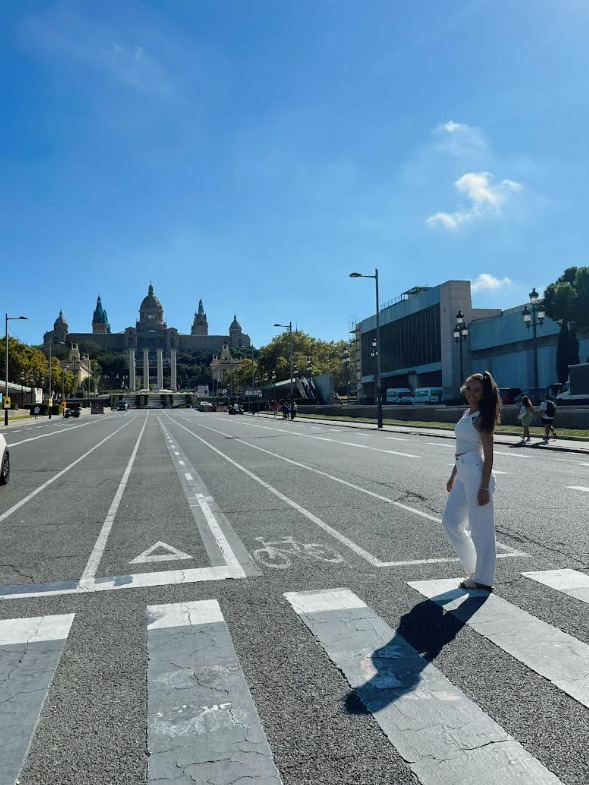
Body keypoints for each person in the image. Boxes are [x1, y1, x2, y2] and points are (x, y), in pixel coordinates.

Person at [443, 371, 501, 592]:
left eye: (477, 390)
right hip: (463, 472)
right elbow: (462, 449)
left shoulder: (483, 417)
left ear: (485, 393)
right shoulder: (467, 413)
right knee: (450, 522)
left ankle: (483, 579)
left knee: (481, 529)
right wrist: (453, 474)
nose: (471, 394)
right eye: (469, 389)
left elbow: (488, 455)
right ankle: (475, 569)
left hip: (477, 474)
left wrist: (484, 486)